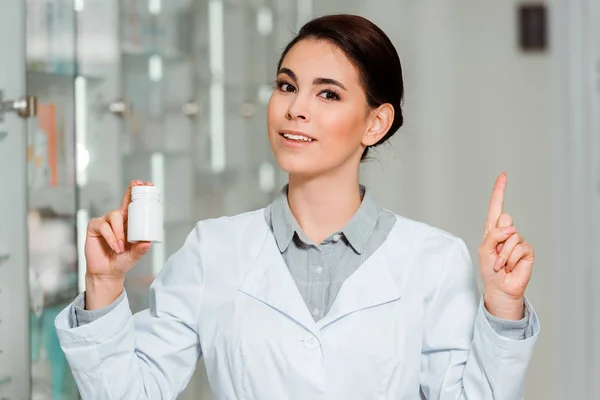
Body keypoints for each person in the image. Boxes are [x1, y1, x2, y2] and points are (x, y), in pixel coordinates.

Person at [56, 14, 539, 399]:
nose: (295, 109)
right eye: (287, 86)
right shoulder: (214, 249)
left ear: (376, 123)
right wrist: (103, 284)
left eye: (327, 93)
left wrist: (502, 307)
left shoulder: (434, 261)